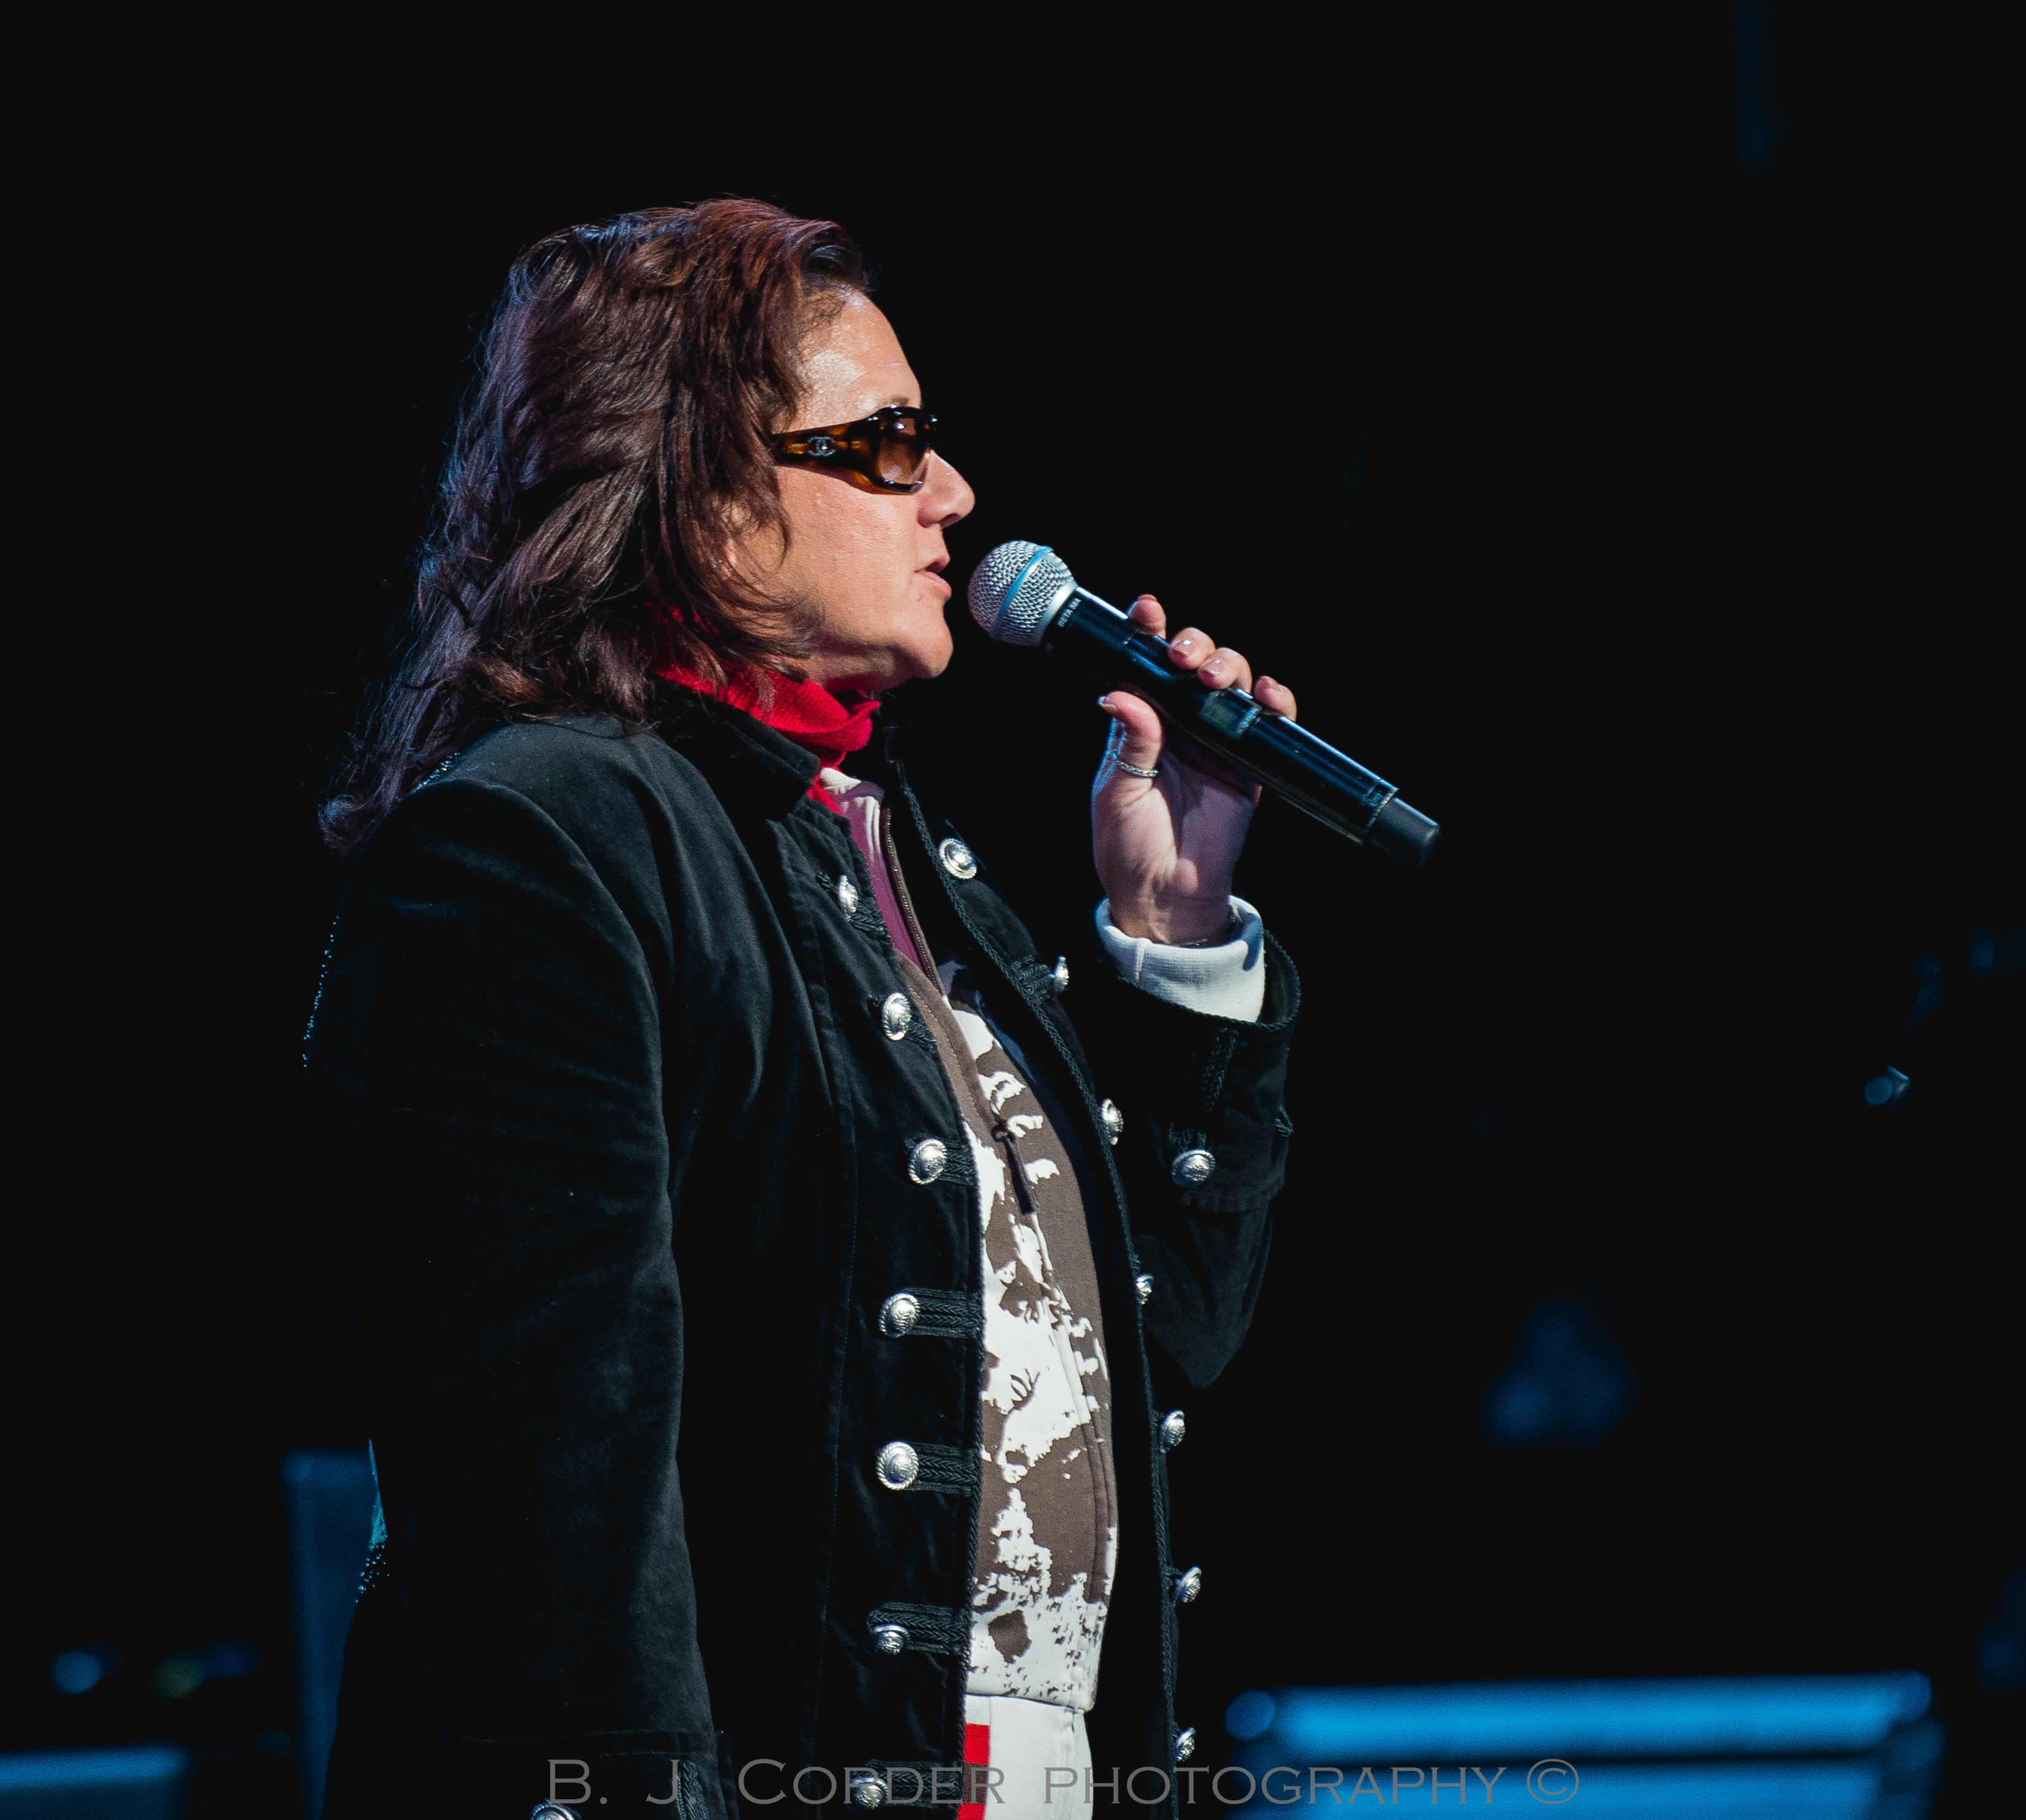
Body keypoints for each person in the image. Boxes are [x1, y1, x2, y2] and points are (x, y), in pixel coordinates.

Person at [308, 199, 1304, 1820]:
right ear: (702, 486)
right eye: (891, 442)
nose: (954, 496)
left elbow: (1150, 1349)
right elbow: (553, 1489)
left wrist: (1173, 930)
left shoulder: (886, 852)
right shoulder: (537, 843)